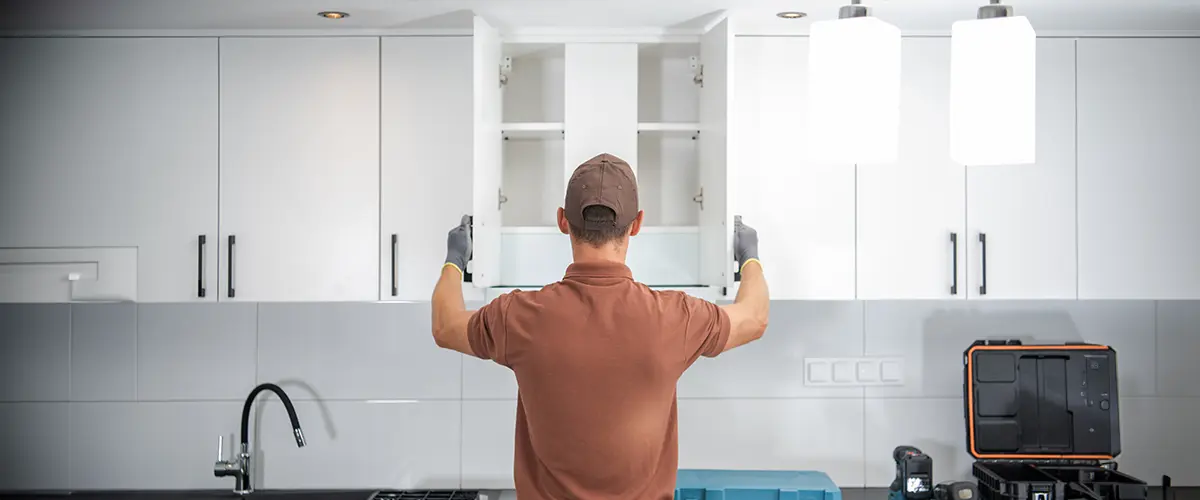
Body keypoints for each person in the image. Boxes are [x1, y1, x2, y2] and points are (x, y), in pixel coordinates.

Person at [430, 153, 770, 500]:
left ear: (563, 221)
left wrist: (455, 260)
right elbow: (754, 318)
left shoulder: (518, 316)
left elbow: (445, 326)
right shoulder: (676, 317)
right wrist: (749, 257)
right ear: (636, 224)